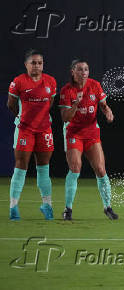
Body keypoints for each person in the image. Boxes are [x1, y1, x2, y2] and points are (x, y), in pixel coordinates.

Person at [59, 59, 118, 220]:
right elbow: (65, 117)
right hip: (74, 133)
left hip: (92, 132)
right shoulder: (66, 91)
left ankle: (108, 207)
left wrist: (108, 112)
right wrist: (75, 105)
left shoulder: (94, 85)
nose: (83, 72)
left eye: (86, 69)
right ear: (73, 72)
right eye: (80, 69)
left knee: (100, 169)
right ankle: (68, 209)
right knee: (75, 168)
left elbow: (103, 105)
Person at [7, 49, 57, 220]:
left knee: (44, 168)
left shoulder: (51, 81)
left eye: (40, 63)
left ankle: (47, 205)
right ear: (26, 64)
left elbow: (49, 102)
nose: (37, 65)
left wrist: (40, 118)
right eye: (33, 62)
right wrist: (22, 118)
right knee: (21, 167)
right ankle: (13, 207)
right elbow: (11, 104)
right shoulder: (18, 82)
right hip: (25, 130)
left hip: (44, 130)